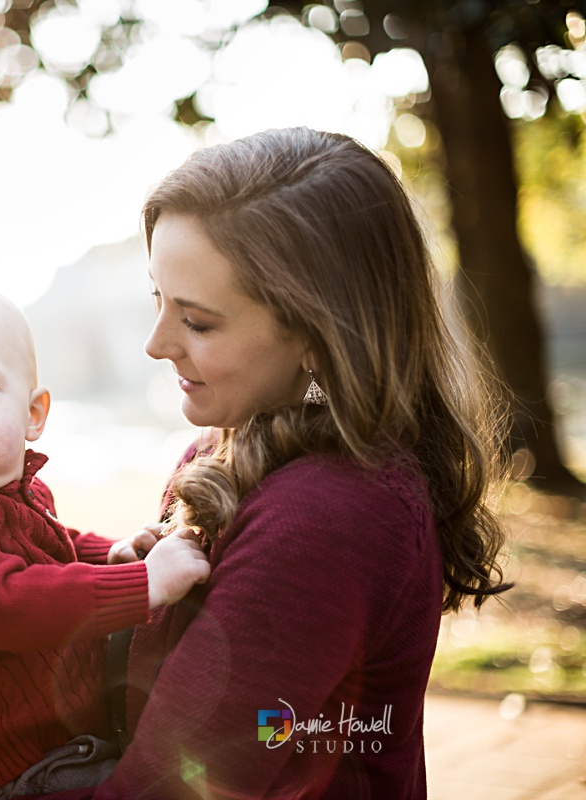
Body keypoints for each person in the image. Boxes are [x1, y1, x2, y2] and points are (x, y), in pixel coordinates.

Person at [44, 127, 512, 799]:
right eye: (157, 298)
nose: (155, 344)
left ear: (319, 339)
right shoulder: (222, 448)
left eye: (198, 322)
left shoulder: (327, 516)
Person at [0, 282, 213, 800]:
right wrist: (143, 583)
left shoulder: (9, 491)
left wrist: (113, 552)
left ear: (34, 414)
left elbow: (53, 542)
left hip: (38, 746)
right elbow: (13, 603)